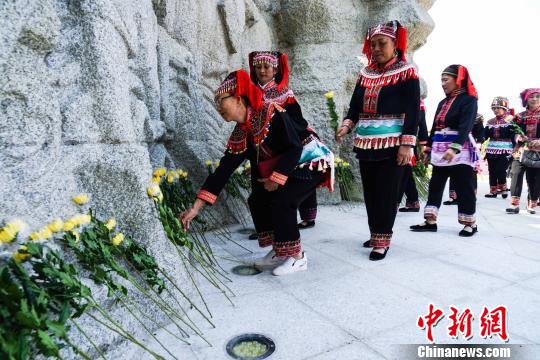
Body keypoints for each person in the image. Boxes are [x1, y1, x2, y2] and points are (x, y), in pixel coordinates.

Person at [180, 70, 334, 276]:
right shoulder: (241, 132)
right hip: (289, 165)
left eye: (221, 101)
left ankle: (298, 257)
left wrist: (276, 179)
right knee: (258, 199)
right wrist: (196, 208)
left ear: (238, 98)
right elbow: (223, 170)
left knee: (282, 199)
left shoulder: (271, 111)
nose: (218, 108)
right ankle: (280, 250)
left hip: (310, 161)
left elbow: (294, 147)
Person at [336, 20, 420, 260]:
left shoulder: (407, 72)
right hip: (365, 143)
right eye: (372, 44)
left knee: (386, 192)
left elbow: (413, 111)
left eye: (382, 43)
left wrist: (407, 144)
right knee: (371, 192)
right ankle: (376, 233)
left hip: (392, 143)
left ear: (395, 44)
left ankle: (383, 239)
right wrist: (346, 125)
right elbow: (355, 106)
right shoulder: (365, 73)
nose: (376, 49)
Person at [247, 51, 318, 230]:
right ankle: (267, 227)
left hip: (285, 142)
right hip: (259, 145)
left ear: (275, 69)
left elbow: (296, 120)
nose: (262, 71)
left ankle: (303, 217)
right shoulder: (250, 93)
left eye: (266, 67)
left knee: (292, 178)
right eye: (258, 67)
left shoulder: (284, 93)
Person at [410, 65, 480, 237]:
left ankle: (470, 223)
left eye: (445, 80)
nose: (442, 84)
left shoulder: (469, 100)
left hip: (460, 149)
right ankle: (430, 220)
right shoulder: (443, 102)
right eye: (441, 80)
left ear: (458, 80)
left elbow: (466, 126)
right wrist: (428, 147)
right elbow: (435, 126)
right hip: (440, 149)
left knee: (464, 186)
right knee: (435, 185)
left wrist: (454, 148)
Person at [506, 88, 540, 214]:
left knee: (535, 179)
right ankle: (514, 204)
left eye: (538, 96)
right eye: (532, 97)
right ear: (526, 99)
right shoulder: (520, 116)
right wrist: (518, 137)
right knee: (516, 173)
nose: (535, 99)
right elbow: (512, 132)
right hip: (521, 150)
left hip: (538, 152)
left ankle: (531, 203)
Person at [443, 113, 484, 205]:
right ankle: (454, 197)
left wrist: (479, 143)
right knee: (453, 169)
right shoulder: (452, 113)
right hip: (454, 145)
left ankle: (471, 196)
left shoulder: (476, 117)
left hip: (470, 146)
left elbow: (480, 133)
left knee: (470, 172)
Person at [398, 99, 429, 212]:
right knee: (406, 172)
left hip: (407, 142)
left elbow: (421, 122)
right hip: (391, 139)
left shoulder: (416, 100)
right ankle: (412, 201)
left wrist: (424, 145)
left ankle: (394, 202)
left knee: (402, 171)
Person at [484, 97, 514, 198]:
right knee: (492, 170)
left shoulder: (511, 120)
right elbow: (485, 135)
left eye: (498, 108)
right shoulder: (490, 122)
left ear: (505, 108)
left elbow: (515, 136)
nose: (495, 110)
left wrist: (516, 150)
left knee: (500, 170)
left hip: (506, 149)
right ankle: (493, 191)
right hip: (491, 149)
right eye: (494, 108)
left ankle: (503, 188)